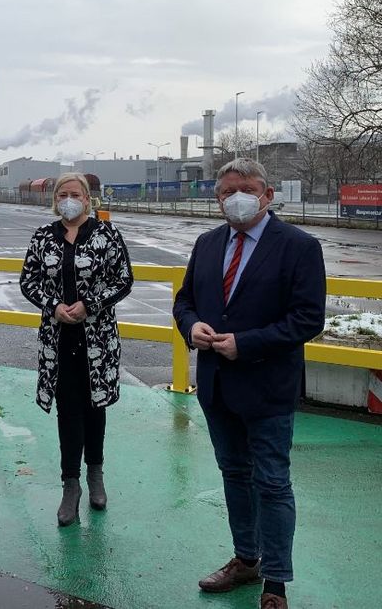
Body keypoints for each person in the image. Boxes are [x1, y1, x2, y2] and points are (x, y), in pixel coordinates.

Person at [173, 158, 326, 609]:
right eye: (226, 192)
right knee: (235, 474)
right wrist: (191, 326)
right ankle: (246, 558)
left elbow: (307, 318)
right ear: (217, 199)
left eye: (246, 189)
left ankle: (275, 583)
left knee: (273, 483)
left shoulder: (299, 246)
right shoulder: (207, 244)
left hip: (268, 387)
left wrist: (247, 343)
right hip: (217, 386)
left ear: (267, 195)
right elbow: (185, 301)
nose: (235, 199)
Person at [19, 172, 133, 526]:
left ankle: (95, 474)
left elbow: (123, 279)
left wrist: (90, 305)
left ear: (87, 199)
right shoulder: (43, 236)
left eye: (75, 194)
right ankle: (70, 484)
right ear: (55, 200)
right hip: (58, 339)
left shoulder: (107, 234)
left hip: (97, 338)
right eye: (62, 195)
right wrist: (54, 306)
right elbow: (28, 280)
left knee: (95, 406)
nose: (68, 200)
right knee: (67, 409)